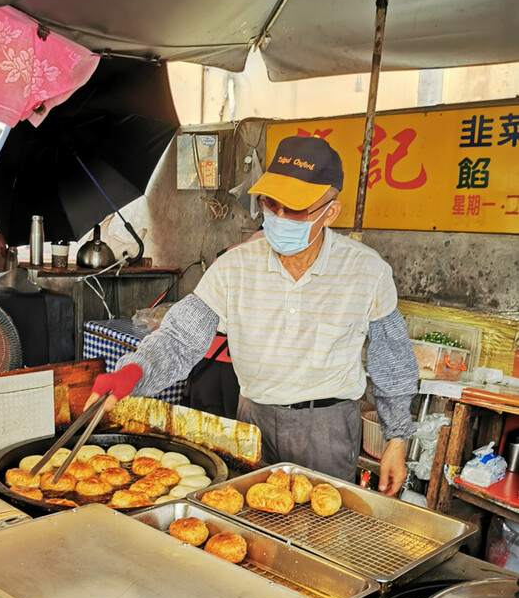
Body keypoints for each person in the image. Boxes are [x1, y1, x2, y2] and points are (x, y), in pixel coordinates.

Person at [87, 135, 419, 496]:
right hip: (252, 422)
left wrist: (396, 439)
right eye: (271, 203)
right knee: (248, 519)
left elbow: (392, 360)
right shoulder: (234, 266)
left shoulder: (366, 271)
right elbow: (180, 338)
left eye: (295, 209)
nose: (279, 217)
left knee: (319, 522)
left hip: (326, 429)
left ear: (330, 212)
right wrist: (132, 373)